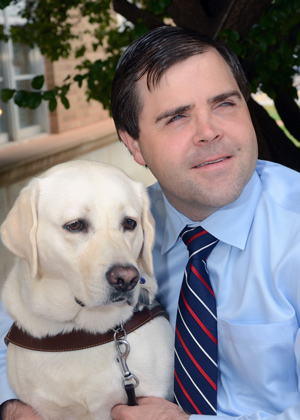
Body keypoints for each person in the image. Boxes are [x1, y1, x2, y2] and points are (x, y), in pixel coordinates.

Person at [1, 25, 300, 420]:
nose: (208, 132)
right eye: (177, 117)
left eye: (225, 104)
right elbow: (14, 325)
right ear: (134, 144)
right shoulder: (128, 217)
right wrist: (12, 405)